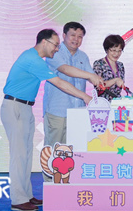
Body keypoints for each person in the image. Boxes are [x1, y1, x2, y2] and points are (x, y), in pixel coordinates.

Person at [1, 29, 92, 211]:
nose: (57, 49)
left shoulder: (36, 59)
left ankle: (26, 195)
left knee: (26, 154)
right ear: (44, 42)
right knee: (19, 155)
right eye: (55, 45)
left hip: (24, 107)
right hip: (15, 107)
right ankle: (18, 199)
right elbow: (60, 83)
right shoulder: (33, 59)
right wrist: (85, 96)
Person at [42, 22, 103, 154]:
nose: (76, 39)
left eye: (80, 36)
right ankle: (50, 169)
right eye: (73, 35)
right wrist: (90, 76)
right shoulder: (54, 52)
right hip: (57, 110)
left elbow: (91, 77)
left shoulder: (83, 56)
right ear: (64, 35)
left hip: (78, 112)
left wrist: (103, 80)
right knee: (53, 151)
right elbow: (65, 69)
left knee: (73, 151)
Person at [92, 35, 126, 101]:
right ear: (107, 49)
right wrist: (115, 80)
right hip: (103, 102)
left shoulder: (120, 65)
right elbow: (99, 86)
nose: (116, 54)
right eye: (113, 50)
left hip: (117, 102)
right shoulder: (99, 64)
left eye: (119, 51)